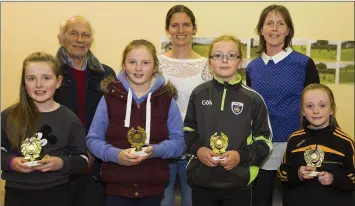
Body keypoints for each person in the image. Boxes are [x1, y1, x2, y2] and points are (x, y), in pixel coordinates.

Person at [86, 39, 185, 206]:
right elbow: (92, 140)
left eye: (145, 63)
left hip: (153, 189)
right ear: (124, 65)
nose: (138, 68)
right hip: (116, 188)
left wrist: (154, 150)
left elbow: (179, 143)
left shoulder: (166, 99)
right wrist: (116, 155)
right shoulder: (109, 97)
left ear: (154, 67)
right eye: (132, 62)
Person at [184, 35, 273, 206]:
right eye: (218, 55)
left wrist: (240, 156)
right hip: (202, 181)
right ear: (210, 62)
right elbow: (188, 131)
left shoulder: (253, 99)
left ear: (240, 62)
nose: (224, 60)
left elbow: (265, 142)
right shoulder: (198, 94)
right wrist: (199, 150)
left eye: (231, 55)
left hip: (238, 184)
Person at [246, 5, 320, 206]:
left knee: (295, 200)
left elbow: (317, 107)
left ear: (288, 30)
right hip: (263, 145)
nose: (275, 29)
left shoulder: (303, 63)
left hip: (296, 145)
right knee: (260, 199)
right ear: (261, 29)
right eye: (269, 23)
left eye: (281, 23)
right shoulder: (252, 67)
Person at [1, 52, 88, 206]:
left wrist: (61, 163)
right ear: (24, 82)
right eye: (31, 78)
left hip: (56, 192)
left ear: (58, 81)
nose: (39, 84)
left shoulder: (70, 119)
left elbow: (82, 160)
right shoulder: (8, 116)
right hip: (17, 193)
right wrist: (11, 162)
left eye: (46, 78)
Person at [54, 15, 116, 206]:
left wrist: (93, 150)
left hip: (96, 163)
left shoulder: (106, 74)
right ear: (61, 38)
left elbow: (114, 118)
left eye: (85, 35)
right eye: (73, 33)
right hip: (59, 162)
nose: (80, 40)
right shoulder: (50, 73)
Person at [159, 5, 211, 206]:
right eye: (175, 25)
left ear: (194, 29)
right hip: (164, 145)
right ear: (167, 30)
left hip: (196, 147)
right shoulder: (155, 64)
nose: (181, 30)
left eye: (186, 25)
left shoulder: (207, 65)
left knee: (192, 202)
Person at [278, 83, 355, 206]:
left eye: (322, 105)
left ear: (332, 109)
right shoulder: (294, 139)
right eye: (309, 106)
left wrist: (333, 179)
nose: (315, 111)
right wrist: (298, 174)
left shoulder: (346, 142)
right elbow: (282, 175)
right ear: (303, 111)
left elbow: (352, 179)